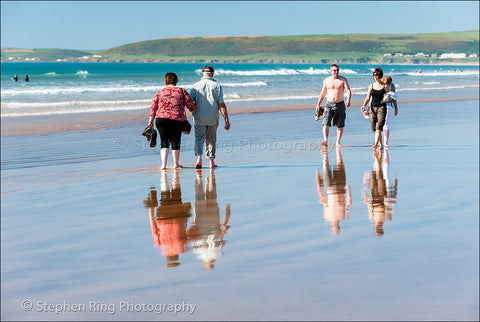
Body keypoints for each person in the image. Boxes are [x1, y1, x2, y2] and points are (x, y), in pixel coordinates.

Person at [148, 72, 196, 170]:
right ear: (176, 81)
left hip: (161, 119)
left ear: (165, 81)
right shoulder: (182, 91)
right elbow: (190, 105)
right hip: (177, 119)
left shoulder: (160, 92)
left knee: (164, 141)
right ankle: (176, 164)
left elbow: (153, 107)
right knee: (176, 141)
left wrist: (150, 121)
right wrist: (193, 110)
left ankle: (163, 165)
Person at [144, 171, 192, 267]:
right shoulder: (160, 245)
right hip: (163, 216)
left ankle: (175, 172)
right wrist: (151, 209)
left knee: (176, 194)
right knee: (164, 195)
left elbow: (191, 233)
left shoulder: (182, 247)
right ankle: (164, 176)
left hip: (179, 214)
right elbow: (153, 227)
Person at [188, 169, 231, 269]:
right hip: (200, 220)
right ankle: (199, 180)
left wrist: (227, 214)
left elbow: (224, 228)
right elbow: (192, 234)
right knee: (199, 198)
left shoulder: (218, 246)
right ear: (204, 262)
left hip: (213, 219)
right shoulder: (197, 249)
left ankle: (210, 177)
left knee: (212, 197)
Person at [190, 65, 230, 169]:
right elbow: (221, 104)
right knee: (211, 139)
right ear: (212, 74)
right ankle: (211, 162)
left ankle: (199, 158)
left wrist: (192, 112)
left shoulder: (195, 86)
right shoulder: (217, 86)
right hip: (212, 117)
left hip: (199, 117)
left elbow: (190, 103)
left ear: (202, 74)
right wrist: (226, 120)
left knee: (199, 138)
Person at [315, 147, 351, 235]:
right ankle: (332, 151)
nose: (335, 226)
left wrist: (318, 186)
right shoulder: (344, 216)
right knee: (340, 165)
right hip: (339, 187)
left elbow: (323, 201)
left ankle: (325, 153)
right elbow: (348, 203)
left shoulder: (327, 217)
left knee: (326, 166)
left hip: (330, 188)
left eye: (335, 228)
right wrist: (349, 191)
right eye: (336, 228)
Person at [315, 64, 352, 147]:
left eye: (337, 70)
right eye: (334, 70)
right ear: (331, 71)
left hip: (340, 104)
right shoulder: (326, 80)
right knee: (326, 122)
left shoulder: (343, 80)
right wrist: (318, 103)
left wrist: (348, 100)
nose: (336, 72)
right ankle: (326, 140)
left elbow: (348, 90)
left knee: (340, 124)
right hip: (329, 104)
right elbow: (323, 93)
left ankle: (338, 142)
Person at [361, 67, 390, 150]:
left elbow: (388, 97)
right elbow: (368, 97)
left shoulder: (385, 86)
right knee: (376, 128)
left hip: (382, 108)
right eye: (374, 74)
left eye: (377, 74)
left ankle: (375, 144)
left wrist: (391, 102)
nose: (375, 76)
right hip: (372, 108)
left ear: (380, 75)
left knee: (379, 127)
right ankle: (381, 145)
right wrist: (364, 105)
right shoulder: (371, 85)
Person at [381, 75, 398, 148]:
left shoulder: (392, 86)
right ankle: (379, 142)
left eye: (389, 83)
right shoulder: (381, 85)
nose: (387, 85)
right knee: (379, 125)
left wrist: (396, 108)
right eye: (386, 83)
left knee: (386, 123)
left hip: (388, 106)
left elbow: (394, 97)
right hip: (380, 106)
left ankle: (386, 142)